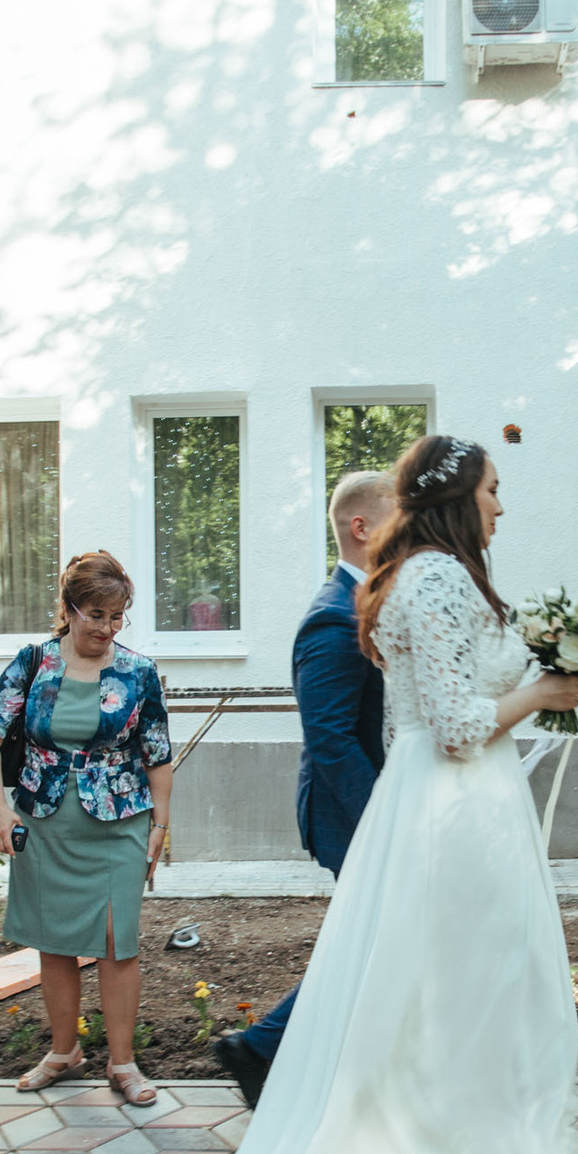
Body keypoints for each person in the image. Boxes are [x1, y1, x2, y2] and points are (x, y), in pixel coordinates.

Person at [0, 437, 578, 1154]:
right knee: (435, 984)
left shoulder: (440, 576)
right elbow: (443, 725)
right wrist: (545, 694)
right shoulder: (430, 579)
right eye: (494, 489)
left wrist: (553, 657)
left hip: (461, 807)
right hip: (444, 806)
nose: (502, 504)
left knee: (449, 988)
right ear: (457, 497)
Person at [0, 551, 175, 1106]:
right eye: (96, 615)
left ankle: (123, 1063)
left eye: (117, 616)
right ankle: (64, 1052)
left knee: (116, 941)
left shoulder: (138, 671)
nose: (107, 628)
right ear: (68, 609)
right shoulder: (33, 662)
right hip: (44, 818)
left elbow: (157, 754)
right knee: (54, 940)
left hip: (119, 820)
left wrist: (161, 823)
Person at [213, 469, 391, 1107]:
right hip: (349, 811)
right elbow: (331, 739)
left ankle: (267, 1049)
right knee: (371, 942)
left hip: (366, 805)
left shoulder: (366, 604)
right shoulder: (333, 617)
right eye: (399, 517)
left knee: (370, 942)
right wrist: (384, 818)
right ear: (361, 527)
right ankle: (261, 1047)